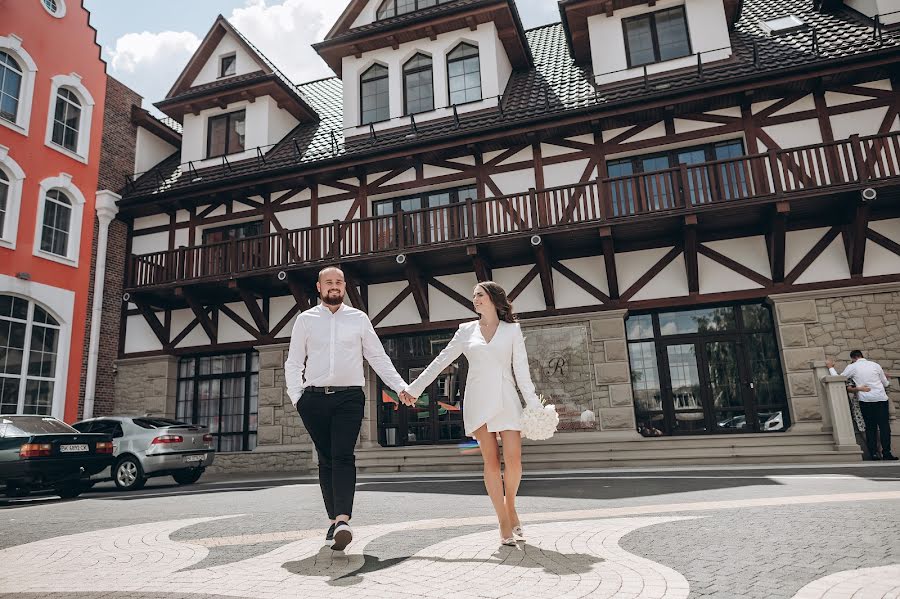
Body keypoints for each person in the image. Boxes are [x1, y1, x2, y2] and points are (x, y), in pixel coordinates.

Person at [401, 281, 542, 546]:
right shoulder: (466, 331)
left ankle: (510, 506)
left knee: (514, 461)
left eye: (479, 295)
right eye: (474, 295)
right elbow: (441, 361)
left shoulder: (512, 330)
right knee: (491, 461)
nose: (475, 299)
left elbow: (521, 371)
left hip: (507, 398)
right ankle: (503, 522)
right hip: (478, 400)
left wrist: (533, 404)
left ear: (493, 298)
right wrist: (414, 388)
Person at [285, 266, 414, 551]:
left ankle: (343, 520)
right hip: (313, 399)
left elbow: (377, 357)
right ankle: (334, 519)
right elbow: (293, 362)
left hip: (349, 398)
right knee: (325, 458)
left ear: (344, 287)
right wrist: (298, 397)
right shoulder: (305, 320)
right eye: (328, 282)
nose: (334, 286)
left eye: (339, 282)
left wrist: (400, 386)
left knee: (342, 456)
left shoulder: (359, 319)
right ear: (319, 288)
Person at [827, 351, 897, 461]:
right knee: (884, 427)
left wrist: (831, 367)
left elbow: (838, 379)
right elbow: (886, 383)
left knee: (870, 427)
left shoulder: (853, 367)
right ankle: (887, 453)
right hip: (881, 398)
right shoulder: (876, 365)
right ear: (862, 356)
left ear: (853, 358)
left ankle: (873, 454)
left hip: (866, 400)